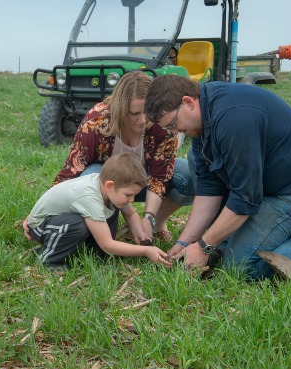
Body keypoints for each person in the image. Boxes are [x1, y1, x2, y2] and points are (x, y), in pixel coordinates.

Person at [143, 75, 291, 280]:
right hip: (264, 189)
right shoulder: (205, 116)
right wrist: (186, 241)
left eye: (173, 124)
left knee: (241, 268)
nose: (174, 132)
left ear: (188, 102)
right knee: (196, 161)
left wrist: (204, 246)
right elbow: (209, 187)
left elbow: (245, 199)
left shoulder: (234, 118)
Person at [51, 70, 194, 243]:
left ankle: (156, 223)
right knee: (91, 176)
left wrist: (148, 217)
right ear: (120, 107)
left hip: (145, 181)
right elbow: (74, 168)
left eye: (147, 112)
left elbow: (160, 177)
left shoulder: (162, 122)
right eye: (134, 113)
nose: (142, 120)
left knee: (189, 175)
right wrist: (46, 210)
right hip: (109, 183)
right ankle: (102, 223)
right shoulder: (98, 120)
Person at [24, 153, 171, 269]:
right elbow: (107, 243)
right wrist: (145, 251)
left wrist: (140, 233)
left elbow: (130, 213)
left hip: (61, 219)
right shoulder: (89, 197)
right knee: (78, 225)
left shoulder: (109, 190)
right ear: (110, 186)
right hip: (41, 225)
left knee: (113, 208)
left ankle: (96, 254)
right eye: (129, 194)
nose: (131, 200)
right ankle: (49, 261)